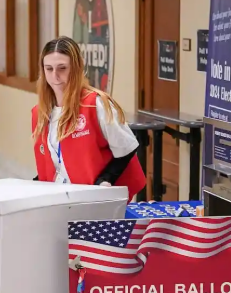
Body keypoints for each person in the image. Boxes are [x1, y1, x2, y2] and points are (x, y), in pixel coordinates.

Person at [31, 36, 145, 196]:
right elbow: (53, 161)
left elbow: (126, 147)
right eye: (49, 69)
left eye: (62, 68)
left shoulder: (95, 104)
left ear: (76, 68)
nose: (55, 76)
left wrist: (106, 179)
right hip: (61, 197)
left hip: (95, 197)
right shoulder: (40, 112)